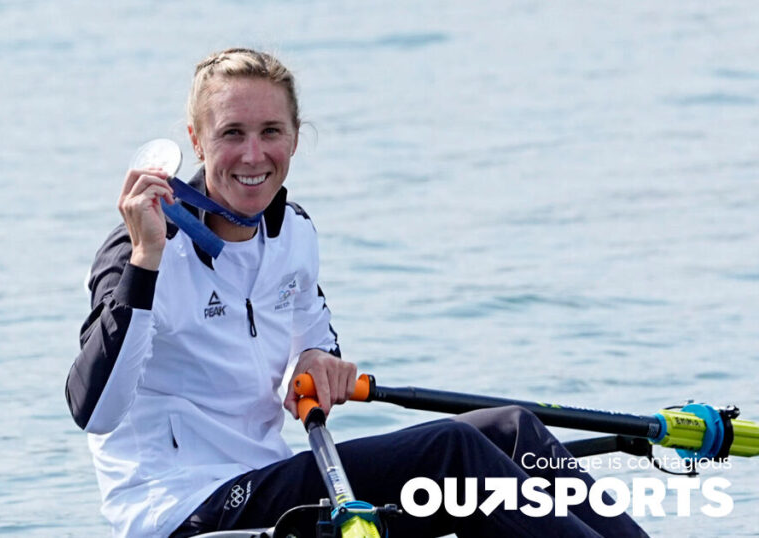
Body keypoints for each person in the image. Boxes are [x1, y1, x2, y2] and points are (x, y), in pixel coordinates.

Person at [66, 47, 647, 537]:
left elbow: (313, 340)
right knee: (451, 453)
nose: (253, 155)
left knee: (511, 430)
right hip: (184, 509)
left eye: (271, 132)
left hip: (271, 479)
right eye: (232, 133)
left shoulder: (293, 234)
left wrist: (318, 360)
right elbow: (95, 411)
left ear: (296, 138)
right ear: (197, 140)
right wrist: (146, 260)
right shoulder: (141, 247)